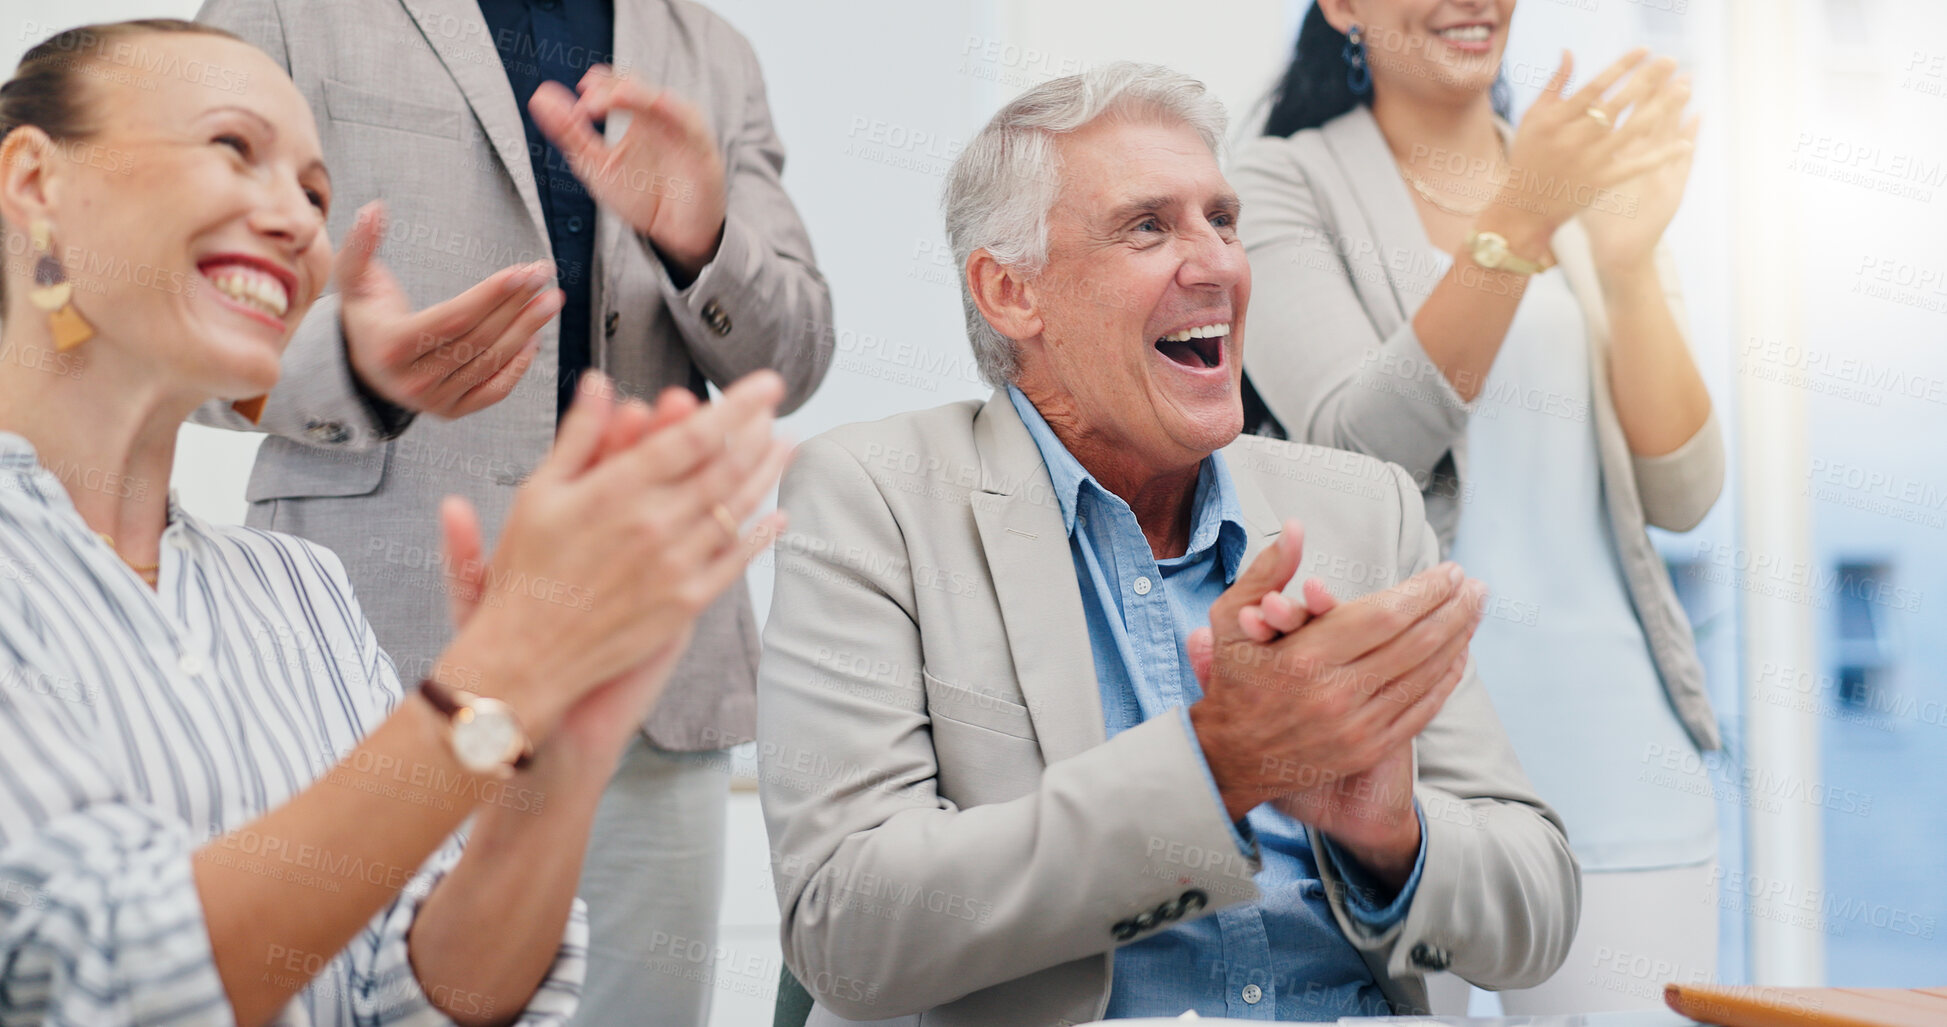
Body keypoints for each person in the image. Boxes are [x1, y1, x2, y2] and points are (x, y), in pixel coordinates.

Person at [0, 19, 789, 1026]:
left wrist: (561, 763)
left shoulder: (301, 594)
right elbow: (106, 970)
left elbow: (419, 994)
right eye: (234, 148)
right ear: (34, 183)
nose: (295, 219)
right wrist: (499, 674)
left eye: (317, 193)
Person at [758, 63, 1579, 1027]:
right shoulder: (877, 498)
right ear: (1010, 291)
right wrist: (1215, 766)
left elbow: (1538, 909)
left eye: (1222, 220)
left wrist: (1390, 835)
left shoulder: (1363, 507)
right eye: (1148, 226)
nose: (1217, 264)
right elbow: (846, 927)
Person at [1229, 1, 1723, 1013]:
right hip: (1409, 782)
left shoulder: (1568, 176)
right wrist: (1525, 215)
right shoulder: (1281, 183)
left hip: (1624, 763)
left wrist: (1625, 268)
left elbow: (1685, 492)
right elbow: (1358, 450)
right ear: (1343, 8)